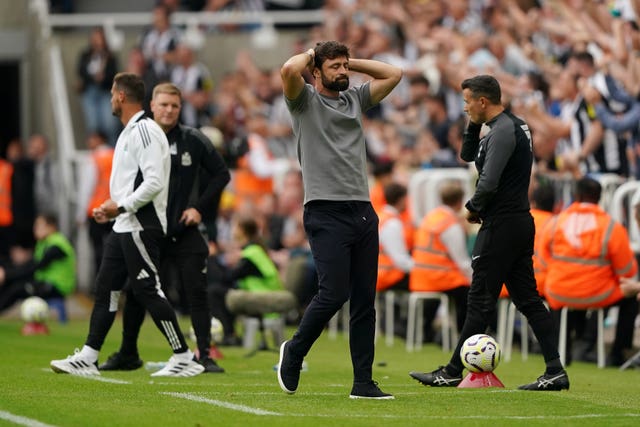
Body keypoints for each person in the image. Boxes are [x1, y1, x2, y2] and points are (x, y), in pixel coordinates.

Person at [408, 75, 570, 391]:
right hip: (517, 222)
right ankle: (555, 370)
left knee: (480, 299)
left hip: (502, 225)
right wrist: (472, 125)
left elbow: (489, 181)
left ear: (483, 101)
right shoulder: (505, 127)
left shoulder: (504, 131)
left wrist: (472, 208)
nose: (465, 107)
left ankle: (453, 371)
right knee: (527, 300)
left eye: (469, 102)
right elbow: (467, 156)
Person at [50, 72, 204, 377]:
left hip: (141, 224)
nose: (109, 99)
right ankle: (89, 356)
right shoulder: (130, 131)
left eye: (111, 93)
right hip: (124, 223)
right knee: (105, 287)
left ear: (121, 96)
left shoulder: (144, 131)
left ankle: (184, 355)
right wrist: (112, 209)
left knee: (148, 290)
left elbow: (155, 182)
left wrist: (120, 205)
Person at [276, 40, 402, 400]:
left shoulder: (356, 99)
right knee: (333, 293)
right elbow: (288, 70)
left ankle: (363, 382)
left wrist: (350, 62)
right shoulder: (304, 101)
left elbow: (395, 74)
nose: (343, 72)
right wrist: (313, 58)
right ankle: (296, 350)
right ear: (315, 71)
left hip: (362, 211)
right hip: (324, 211)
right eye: (335, 67)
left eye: (345, 66)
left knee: (364, 301)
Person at [98, 82, 230, 374]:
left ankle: (203, 355)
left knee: (196, 290)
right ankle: (128, 352)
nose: (169, 110)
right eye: (164, 105)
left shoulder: (193, 139)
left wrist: (199, 208)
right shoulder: (141, 136)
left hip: (183, 229)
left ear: (180, 109)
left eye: (175, 105)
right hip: (150, 230)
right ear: (152, 106)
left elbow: (222, 174)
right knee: (136, 290)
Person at [540, 177, 638, 366]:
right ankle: (616, 354)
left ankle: (563, 351)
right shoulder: (611, 227)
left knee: (561, 297)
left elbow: (544, 259)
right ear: (599, 198)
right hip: (597, 294)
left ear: (576, 195)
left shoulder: (555, 222)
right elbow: (627, 270)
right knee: (630, 298)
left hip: (559, 292)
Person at [409, 180, 471, 335]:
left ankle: (429, 331)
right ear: (460, 201)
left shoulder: (429, 218)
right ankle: (465, 334)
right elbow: (462, 262)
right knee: (473, 295)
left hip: (420, 277)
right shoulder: (450, 225)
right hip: (441, 278)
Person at [0, 213, 75, 313]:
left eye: (39, 225)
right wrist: (6, 273)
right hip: (44, 282)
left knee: (17, 289)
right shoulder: (44, 243)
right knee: (10, 284)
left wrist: (6, 274)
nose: (35, 229)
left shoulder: (57, 245)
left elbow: (34, 267)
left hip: (56, 287)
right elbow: (30, 264)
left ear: (51, 227)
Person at [75, 131, 114, 284]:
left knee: (98, 250)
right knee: (115, 248)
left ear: (98, 139)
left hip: (96, 211)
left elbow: (86, 188)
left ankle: (102, 283)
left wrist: (80, 215)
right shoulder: (115, 154)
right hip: (115, 209)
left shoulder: (93, 159)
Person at [76, 27, 120, 145]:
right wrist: (93, 78)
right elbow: (81, 71)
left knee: (109, 124)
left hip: (105, 92)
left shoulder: (110, 57)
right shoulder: (86, 55)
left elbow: (114, 74)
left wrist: (103, 77)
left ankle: (112, 150)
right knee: (93, 125)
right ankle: (96, 152)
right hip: (90, 92)